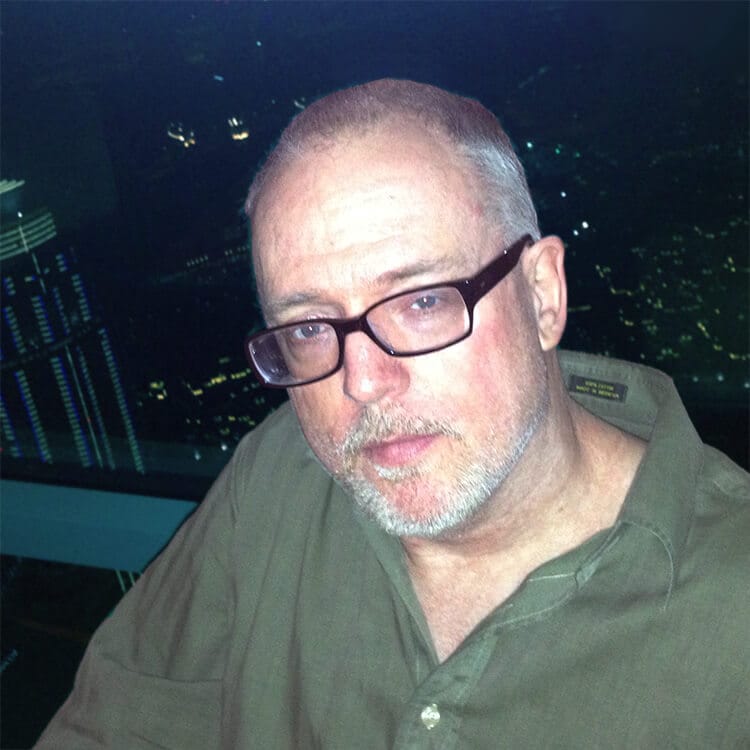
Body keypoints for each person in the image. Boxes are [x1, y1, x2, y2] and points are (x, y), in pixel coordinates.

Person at [35, 79, 749, 749]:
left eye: (423, 302)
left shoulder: (730, 614)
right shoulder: (279, 475)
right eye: (310, 327)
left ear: (543, 295)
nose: (364, 382)